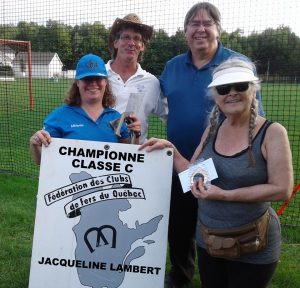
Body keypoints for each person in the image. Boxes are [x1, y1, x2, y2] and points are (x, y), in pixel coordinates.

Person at [140, 57, 294, 288]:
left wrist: (225, 195)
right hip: (210, 241)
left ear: (253, 90)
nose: (232, 93)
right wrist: (172, 151)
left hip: (252, 243)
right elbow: (194, 174)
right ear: (216, 95)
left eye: (240, 86)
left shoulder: (272, 133)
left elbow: (282, 189)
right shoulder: (214, 128)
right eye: (224, 88)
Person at [159, 3, 265, 287]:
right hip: (180, 163)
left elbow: (256, 118)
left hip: (224, 164)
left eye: (207, 23)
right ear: (185, 32)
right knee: (179, 226)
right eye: (193, 23)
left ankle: (225, 275)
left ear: (219, 28)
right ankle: (180, 275)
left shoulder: (236, 65)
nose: (200, 29)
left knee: (219, 225)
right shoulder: (171, 68)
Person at [30, 53, 141, 164]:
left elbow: (129, 159)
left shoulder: (116, 118)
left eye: (98, 78)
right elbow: (42, 161)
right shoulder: (59, 117)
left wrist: (136, 135)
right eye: (87, 79)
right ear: (77, 82)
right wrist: (35, 145)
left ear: (105, 82)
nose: (93, 83)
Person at [106, 13, 167, 144]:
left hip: (135, 157)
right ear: (115, 42)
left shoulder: (151, 83)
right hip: (100, 155)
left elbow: (172, 117)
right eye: (126, 37)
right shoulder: (99, 77)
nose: (131, 43)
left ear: (142, 46)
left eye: (137, 38)